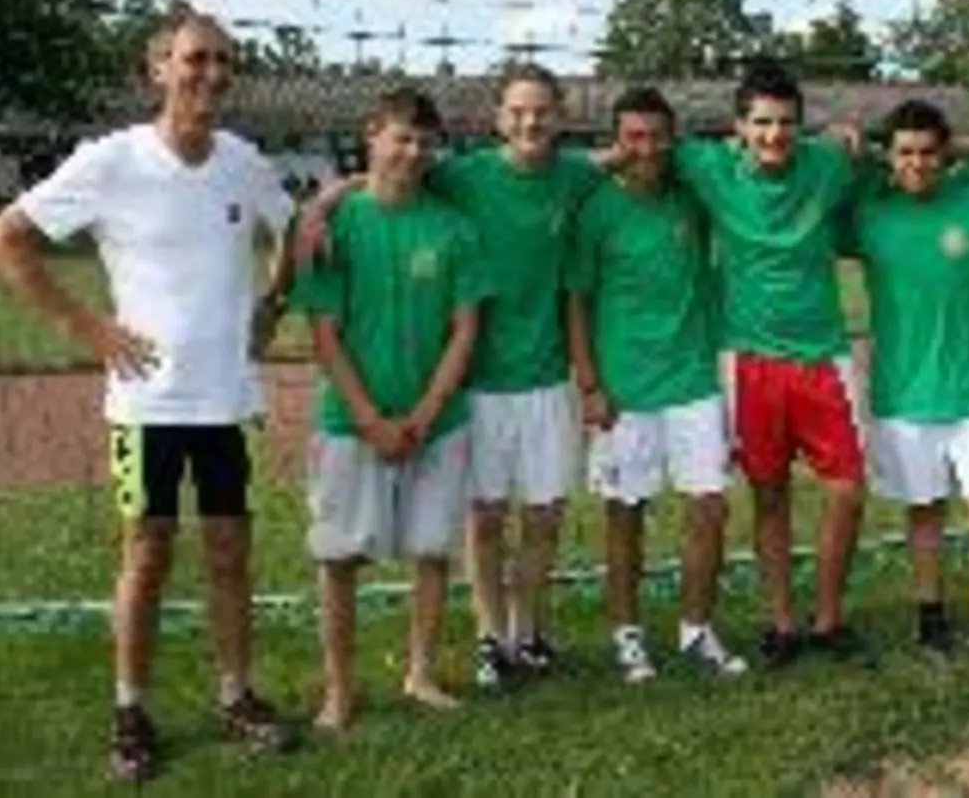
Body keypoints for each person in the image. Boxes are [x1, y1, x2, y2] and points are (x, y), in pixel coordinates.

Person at [0, 8, 297, 781]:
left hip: (225, 399)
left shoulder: (242, 160)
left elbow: (295, 232)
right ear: (157, 69)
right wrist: (88, 327)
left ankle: (237, 694)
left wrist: (270, 308)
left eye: (225, 61)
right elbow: (10, 237)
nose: (212, 74)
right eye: (196, 59)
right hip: (147, 405)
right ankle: (130, 710)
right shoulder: (111, 161)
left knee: (232, 551)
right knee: (149, 552)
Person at [298, 64, 603, 691]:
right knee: (485, 519)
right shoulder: (462, 175)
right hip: (480, 384)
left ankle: (528, 631)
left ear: (561, 116)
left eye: (543, 110)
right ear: (497, 119)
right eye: (518, 110)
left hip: (546, 376)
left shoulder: (572, 174)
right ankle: (491, 638)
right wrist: (324, 201)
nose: (530, 121)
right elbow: (389, 167)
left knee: (544, 516)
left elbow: (633, 153)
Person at [292, 88, 489, 731]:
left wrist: (426, 414)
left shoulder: (455, 227)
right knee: (340, 558)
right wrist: (371, 418)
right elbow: (323, 332)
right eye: (401, 138)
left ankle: (421, 673)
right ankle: (339, 689)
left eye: (425, 143)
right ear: (372, 137)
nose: (413, 153)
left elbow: (465, 329)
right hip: (352, 423)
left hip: (438, 422)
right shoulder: (335, 228)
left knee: (432, 551)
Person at [664, 60, 871, 668]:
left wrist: (849, 133)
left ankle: (829, 619)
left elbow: (925, 148)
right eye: (762, 123)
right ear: (738, 127)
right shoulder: (708, 167)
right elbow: (633, 151)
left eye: (785, 123)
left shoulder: (829, 164)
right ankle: (782, 623)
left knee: (848, 491)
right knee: (769, 495)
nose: (774, 135)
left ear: (802, 127)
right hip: (750, 360)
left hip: (822, 357)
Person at [567, 87, 748, 683]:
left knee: (710, 507)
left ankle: (697, 629)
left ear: (674, 139)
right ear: (616, 143)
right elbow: (577, 301)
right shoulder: (594, 207)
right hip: (626, 389)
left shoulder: (692, 197)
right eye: (633, 138)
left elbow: (741, 157)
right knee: (626, 514)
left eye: (656, 136)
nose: (646, 149)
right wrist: (590, 384)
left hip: (693, 379)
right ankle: (627, 635)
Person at [836, 100, 969, 661]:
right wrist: (869, 153)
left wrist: (957, 145)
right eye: (905, 153)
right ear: (889, 158)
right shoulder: (868, 210)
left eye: (929, 153)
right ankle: (930, 618)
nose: (917, 164)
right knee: (925, 510)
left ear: (945, 155)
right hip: (905, 391)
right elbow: (831, 163)